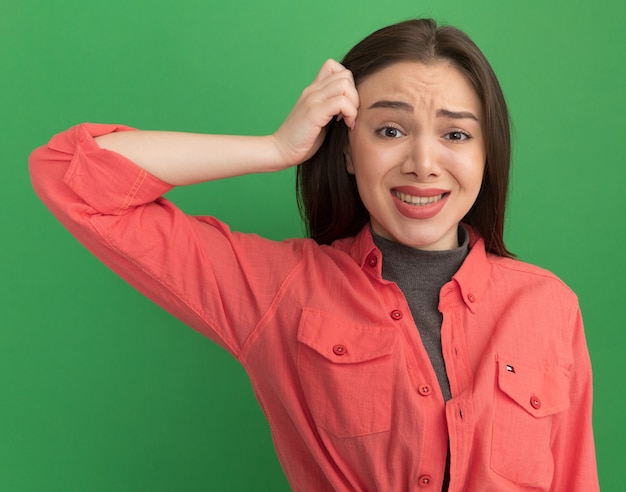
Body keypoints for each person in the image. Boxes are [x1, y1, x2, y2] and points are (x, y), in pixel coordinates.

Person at [29, 18, 598, 492]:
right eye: (391, 130)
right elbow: (70, 174)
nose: (423, 162)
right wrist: (276, 148)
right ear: (347, 151)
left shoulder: (548, 307)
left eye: (455, 136)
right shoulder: (282, 291)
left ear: (486, 156)